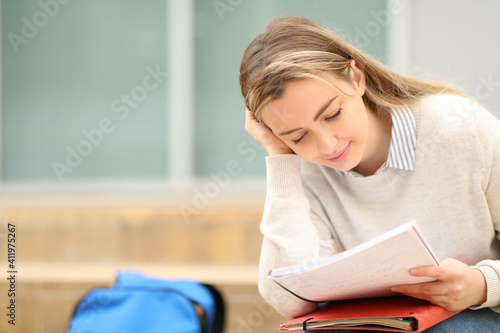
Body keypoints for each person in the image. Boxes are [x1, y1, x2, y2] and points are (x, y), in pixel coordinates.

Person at [239, 15, 500, 332]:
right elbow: (289, 302)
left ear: (356, 78)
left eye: (332, 114)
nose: (327, 145)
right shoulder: (302, 171)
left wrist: (483, 284)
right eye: (298, 136)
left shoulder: (459, 129)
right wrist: (281, 160)